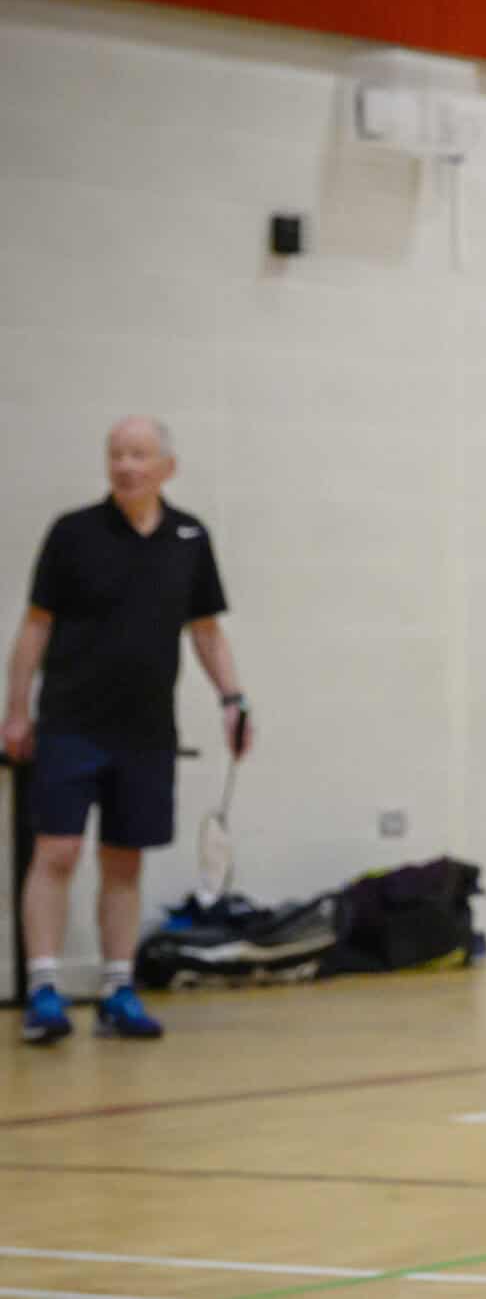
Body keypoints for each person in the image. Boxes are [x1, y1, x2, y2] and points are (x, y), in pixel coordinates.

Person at [6, 417, 250, 1044]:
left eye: (139, 454)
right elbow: (35, 627)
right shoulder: (73, 533)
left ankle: (119, 988)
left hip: (145, 730)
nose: (125, 465)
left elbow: (206, 632)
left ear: (166, 466)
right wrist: (17, 709)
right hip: (70, 722)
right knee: (56, 851)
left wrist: (233, 701)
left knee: (125, 860)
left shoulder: (189, 538)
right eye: (116, 454)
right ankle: (44, 989)